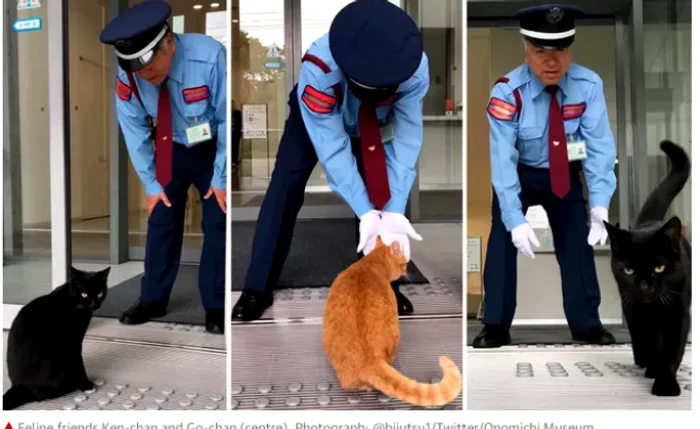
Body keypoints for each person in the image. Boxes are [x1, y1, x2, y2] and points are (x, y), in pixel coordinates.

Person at [233, 0, 429, 321]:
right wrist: (364, 211)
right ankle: (257, 287)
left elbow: (407, 141)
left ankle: (385, 285)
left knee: (382, 192)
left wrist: (391, 208)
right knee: (284, 188)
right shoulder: (319, 69)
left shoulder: (412, 68)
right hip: (318, 118)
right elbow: (333, 148)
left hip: (376, 122)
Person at [473, 4, 617, 348]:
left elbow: (599, 147)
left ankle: (587, 324)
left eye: (561, 50)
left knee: (576, 243)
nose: (552, 61)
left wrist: (600, 205)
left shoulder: (588, 86)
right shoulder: (507, 92)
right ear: (526, 48)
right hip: (520, 175)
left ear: (570, 50)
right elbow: (502, 160)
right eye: (541, 51)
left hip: (564, 173)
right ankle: (495, 324)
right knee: (503, 240)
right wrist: (514, 218)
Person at [100, 0, 227, 334]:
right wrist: (151, 184)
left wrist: (222, 175)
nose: (146, 76)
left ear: (169, 42)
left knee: (217, 222)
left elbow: (227, 119)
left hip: (211, 149)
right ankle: (152, 299)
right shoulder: (128, 76)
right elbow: (134, 129)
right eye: (137, 70)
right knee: (161, 219)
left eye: (150, 66)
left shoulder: (210, 56)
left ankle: (215, 305)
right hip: (169, 149)